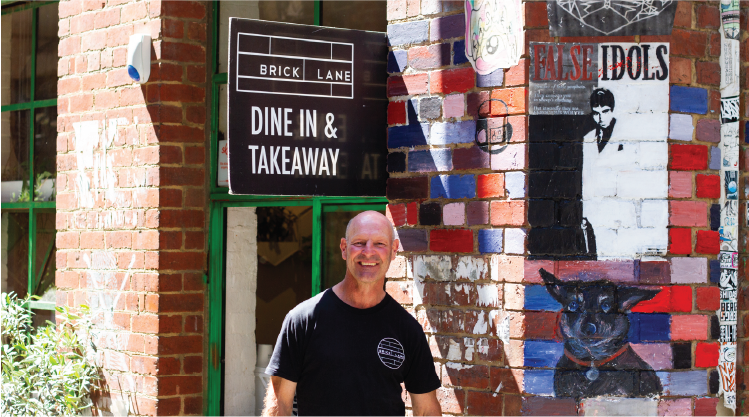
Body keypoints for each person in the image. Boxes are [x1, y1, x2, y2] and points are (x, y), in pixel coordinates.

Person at [261, 211, 442, 417]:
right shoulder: (303, 320)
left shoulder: (407, 329)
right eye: (359, 242)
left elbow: (427, 409)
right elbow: (279, 405)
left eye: (379, 244)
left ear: (393, 251)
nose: (368, 252)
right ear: (344, 248)